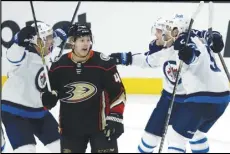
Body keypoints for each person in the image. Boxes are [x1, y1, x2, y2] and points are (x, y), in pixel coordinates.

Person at [109, 14, 227, 153]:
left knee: (176, 137)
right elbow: (148, 59)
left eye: (161, 30)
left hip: (195, 98)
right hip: (177, 97)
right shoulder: (172, 46)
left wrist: (193, 53)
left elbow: (194, 56)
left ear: (175, 31)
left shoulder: (185, 42)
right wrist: (123, 58)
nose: (157, 34)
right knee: (154, 137)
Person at [41, 23, 126, 153]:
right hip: (70, 129)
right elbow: (50, 93)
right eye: (81, 40)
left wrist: (115, 117)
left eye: (88, 40)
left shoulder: (103, 63)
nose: (86, 44)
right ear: (72, 42)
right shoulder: (59, 65)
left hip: (101, 128)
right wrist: (48, 98)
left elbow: (118, 92)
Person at [1, 21, 67, 153]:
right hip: (14, 112)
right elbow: (12, 56)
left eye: (50, 37)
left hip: (38, 112)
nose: (51, 42)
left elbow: (57, 38)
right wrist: (18, 40)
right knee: (27, 150)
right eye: (46, 39)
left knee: (63, 148)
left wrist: (64, 32)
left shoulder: (48, 51)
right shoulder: (22, 54)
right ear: (36, 41)